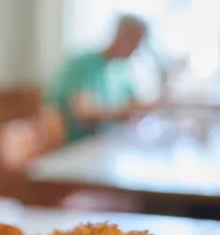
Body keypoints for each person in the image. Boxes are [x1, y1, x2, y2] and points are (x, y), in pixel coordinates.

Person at [51, 15, 149, 144]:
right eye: (134, 42)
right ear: (120, 35)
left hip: (110, 143)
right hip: (75, 145)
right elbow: (84, 114)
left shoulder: (122, 70)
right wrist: (123, 112)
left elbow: (135, 104)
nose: (136, 49)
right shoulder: (82, 64)